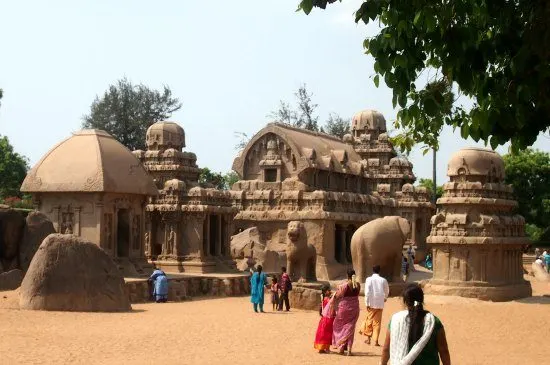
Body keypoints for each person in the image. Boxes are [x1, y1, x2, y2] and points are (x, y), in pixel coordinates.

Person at [380, 283, 451, 365]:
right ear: (422, 300)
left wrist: (383, 363)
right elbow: (443, 350)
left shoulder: (396, 320)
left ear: (405, 301)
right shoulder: (433, 322)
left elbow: (386, 348)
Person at [332, 268, 361, 356]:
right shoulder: (358, 285)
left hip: (344, 308)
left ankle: (341, 348)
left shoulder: (344, 286)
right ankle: (349, 350)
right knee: (351, 328)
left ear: (347, 275)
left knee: (340, 326)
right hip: (355, 308)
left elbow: (338, 295)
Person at [359, 265, 389, 346]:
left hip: (371, 303)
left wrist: (367, 303)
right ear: (379, 271)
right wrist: (385, 297)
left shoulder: (369, 279)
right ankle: (376, 341)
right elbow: (387, 290)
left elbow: (367, 292)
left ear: (373, 270)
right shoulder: (383, 280)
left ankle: (368, 339)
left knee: (369, 320)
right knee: (377, 322)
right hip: (380, 303)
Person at [314, 285, 335, 353]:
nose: (330, 291)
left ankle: (321, 348)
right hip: (328, 318)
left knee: (322, 333)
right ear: (325, 292)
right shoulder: (328, 299)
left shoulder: (324, 299)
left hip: (324, 319)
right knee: (328, 334)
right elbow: (332, 306)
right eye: (329, 290)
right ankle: (327, 348)